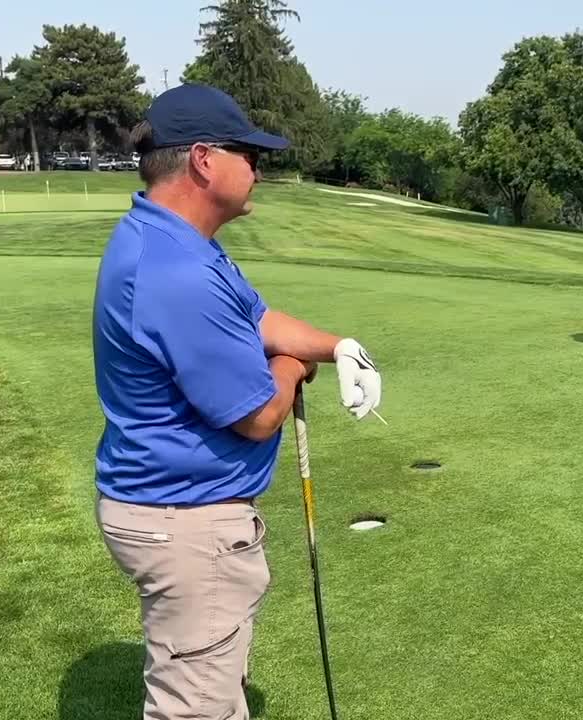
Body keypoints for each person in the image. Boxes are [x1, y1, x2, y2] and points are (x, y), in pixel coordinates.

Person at [91, 83, 383, 720]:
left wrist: (339, 346)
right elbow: (257, 415)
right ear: (202, 159)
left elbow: (256, 318)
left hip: (171, 508)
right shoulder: (177, 272)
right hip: (184, 520)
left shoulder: (178, 240)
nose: (258, 170)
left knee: (212, 691)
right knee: (195, 709)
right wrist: (291, 365)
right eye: (249, 155)